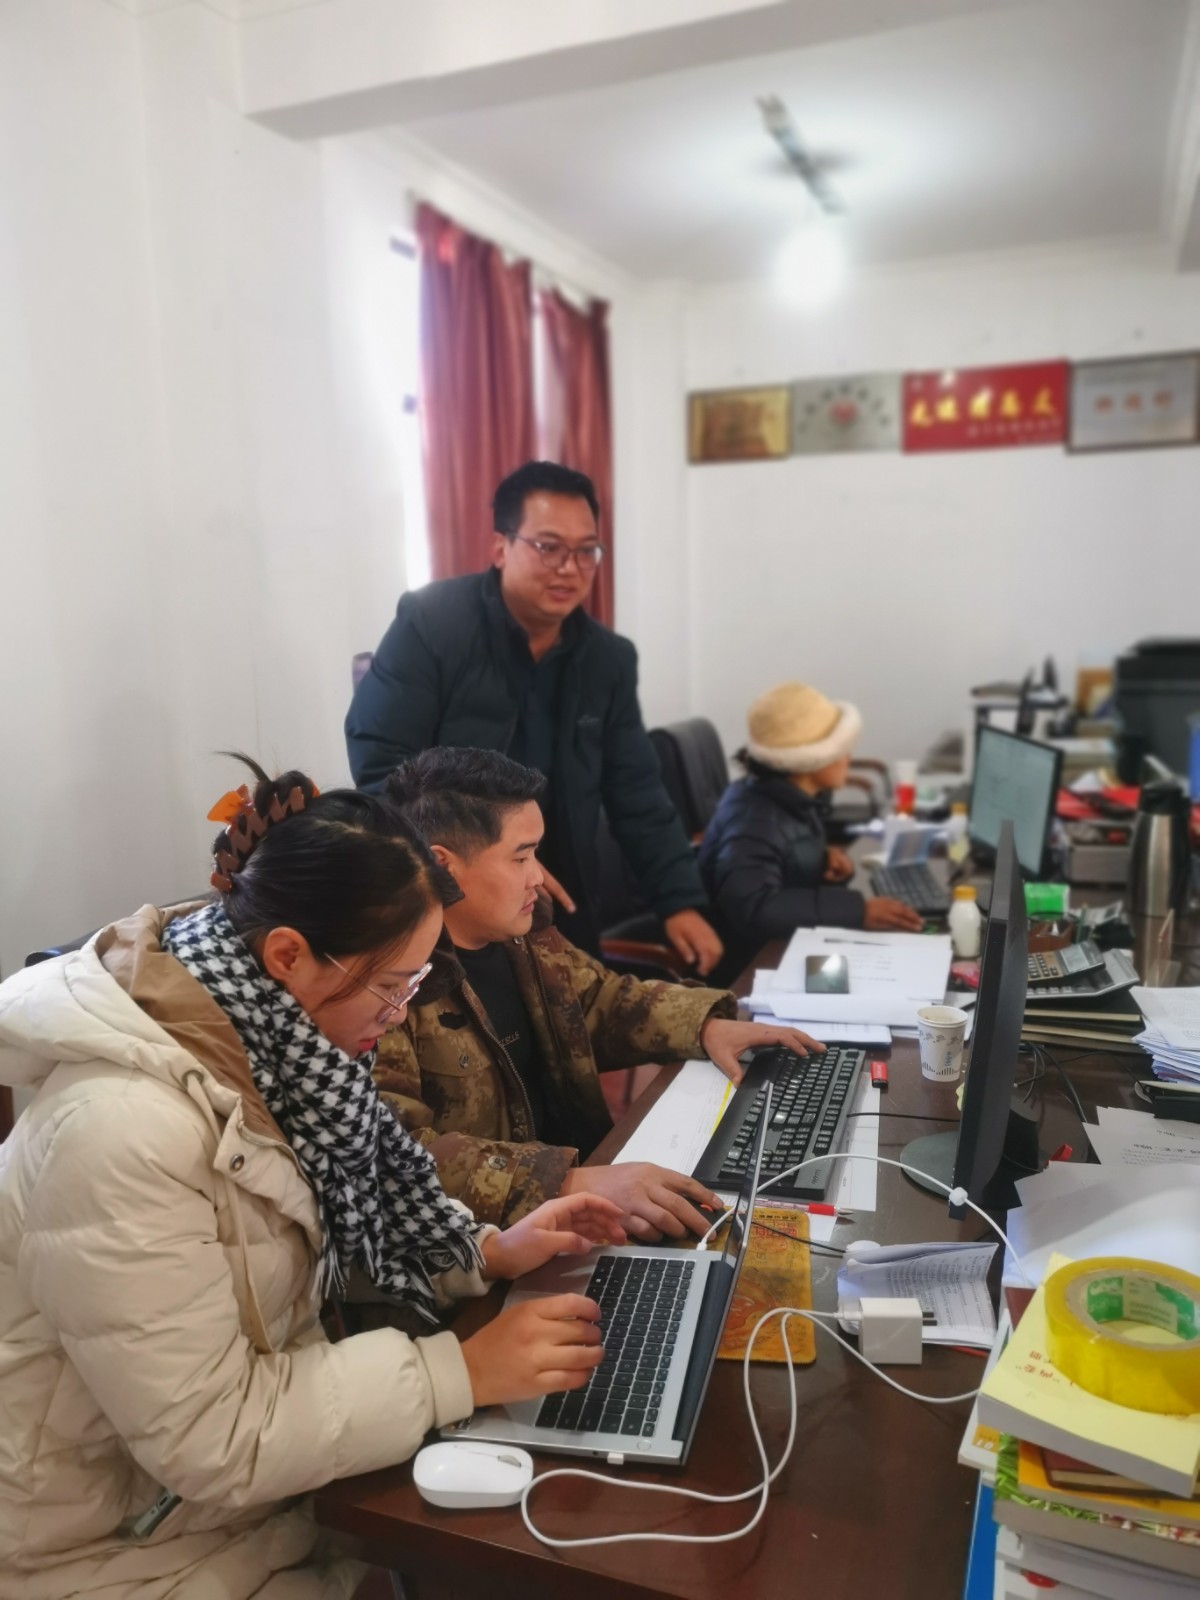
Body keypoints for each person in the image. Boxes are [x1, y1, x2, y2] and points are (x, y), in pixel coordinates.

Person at [0, 760, 626, 1600]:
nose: (399, 1014)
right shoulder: (119, 1133)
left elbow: (321, 1241)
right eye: (393, 986)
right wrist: (459, 1373)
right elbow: (213, 1437)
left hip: (253, 1506)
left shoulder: (278, 1045)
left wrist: (482, 1253)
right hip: (117, 1546)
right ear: (289, 955)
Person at [373, 747, 821, 1242]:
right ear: (443, 865)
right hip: (485, 1248)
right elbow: (396, 1155)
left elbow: (597, 1000)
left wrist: (706, 1026)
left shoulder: (524, 936)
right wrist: (568, 1182)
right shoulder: (388, 987)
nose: (538, 876)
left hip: (576, 1210)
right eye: (520, 857)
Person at [344, 459, 723, 973]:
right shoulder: (432, 624)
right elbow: (381, 766)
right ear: (501, 547)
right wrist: (482, 860)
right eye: (549, 547)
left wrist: (679, 901)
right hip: (454, 903)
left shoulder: (608, 659)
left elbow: (637, 792)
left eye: (586, 551)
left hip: (566, 901)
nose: (570, 567)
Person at [699, 682, 923, 973]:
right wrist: (858, 911)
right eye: (840, 749)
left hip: (783, 948)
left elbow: (780, 868)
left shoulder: (792, 799)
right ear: (810, 759)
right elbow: (755, 908)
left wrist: (821, 866)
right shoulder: (753, 822)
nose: (847, 757)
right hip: (751, 969)